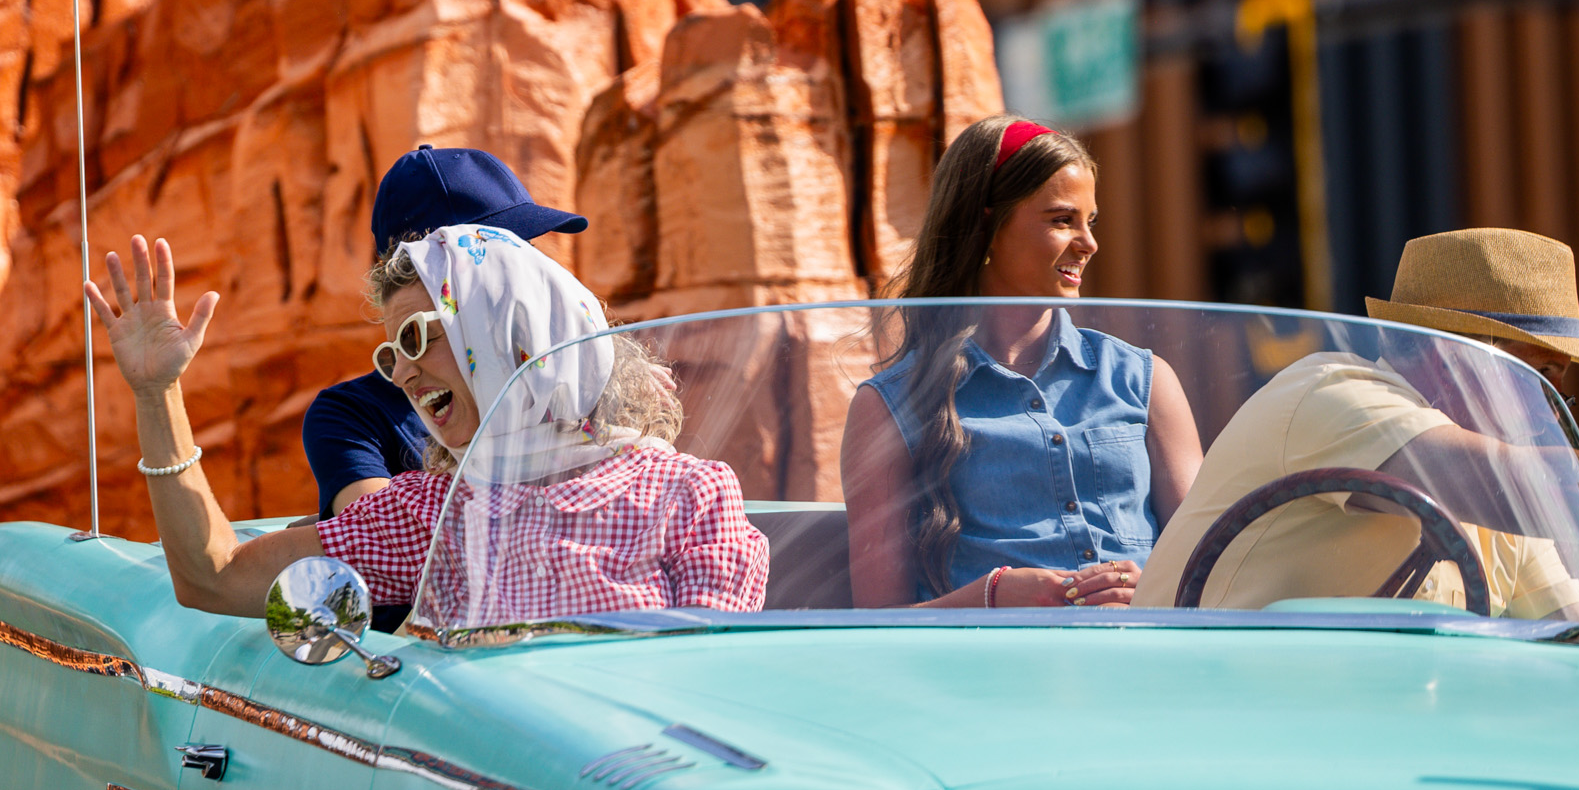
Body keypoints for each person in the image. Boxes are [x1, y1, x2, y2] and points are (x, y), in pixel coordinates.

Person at [96, 223, 769, 622]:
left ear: (513, 329)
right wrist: (158, 395)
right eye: (390, 356)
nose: (402, 373)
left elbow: (706, 688)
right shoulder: (438, 510)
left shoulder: (690, 494)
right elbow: (215, 577)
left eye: (418, 337)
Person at [1140, 228, 1579, 617]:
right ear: (1459, 350)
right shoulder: (1332, 394)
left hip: (1349, 761)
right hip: (1199, 742)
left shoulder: (1503, 506)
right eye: (1543, 372)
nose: (1558, 401)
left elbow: (1578, 649)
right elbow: (1564, 487)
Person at [841, 116, 1205, 610]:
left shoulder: (1144, 380)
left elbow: (1214, 564)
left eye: (1089, 221)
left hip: (1143, 664)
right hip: (991, 675)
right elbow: (875, 626)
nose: (1089, 243)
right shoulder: (888, 408)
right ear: (986, 226)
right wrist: (992, 597)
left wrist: (1155, 587)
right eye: (1062, 220)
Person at [303, 145, 586, 517]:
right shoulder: (353, 414)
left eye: (525, 249)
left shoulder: (579, 378)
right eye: (500, 254)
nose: (525, 272)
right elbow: (382, 536)